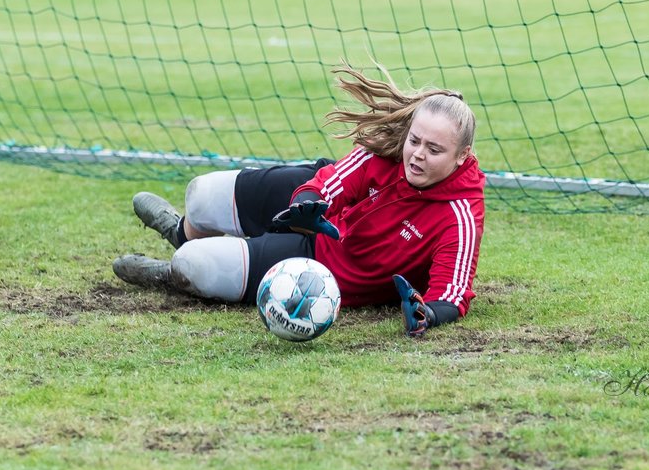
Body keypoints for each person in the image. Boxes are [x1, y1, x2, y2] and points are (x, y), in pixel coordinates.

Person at [113, 66, 486, 337]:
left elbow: (453, 292)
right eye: (415, 140)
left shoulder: (460, 214)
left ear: (461, 155)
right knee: (201, 196)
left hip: (322, 261)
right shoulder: (386, 155)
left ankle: (172, 270)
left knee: (196, 267)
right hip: (318, 204)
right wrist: (309, 203)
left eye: (434, 149)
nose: (417, 155)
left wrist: (428, 314)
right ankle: (182, 231)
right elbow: (335, 180)